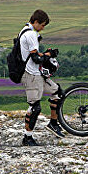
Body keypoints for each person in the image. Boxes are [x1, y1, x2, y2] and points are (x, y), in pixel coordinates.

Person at [19, 9, 65, 146]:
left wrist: (45, 54)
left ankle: (53, 123)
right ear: (37, 22)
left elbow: (34, 56)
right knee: (35, 107)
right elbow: (35, 58)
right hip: (30, 75)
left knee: (57, 93)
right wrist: (49, 55)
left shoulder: (25, 30)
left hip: (36, 74)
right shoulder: (31, 34)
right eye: (43, 25)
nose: (43, 28)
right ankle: (27, 138)